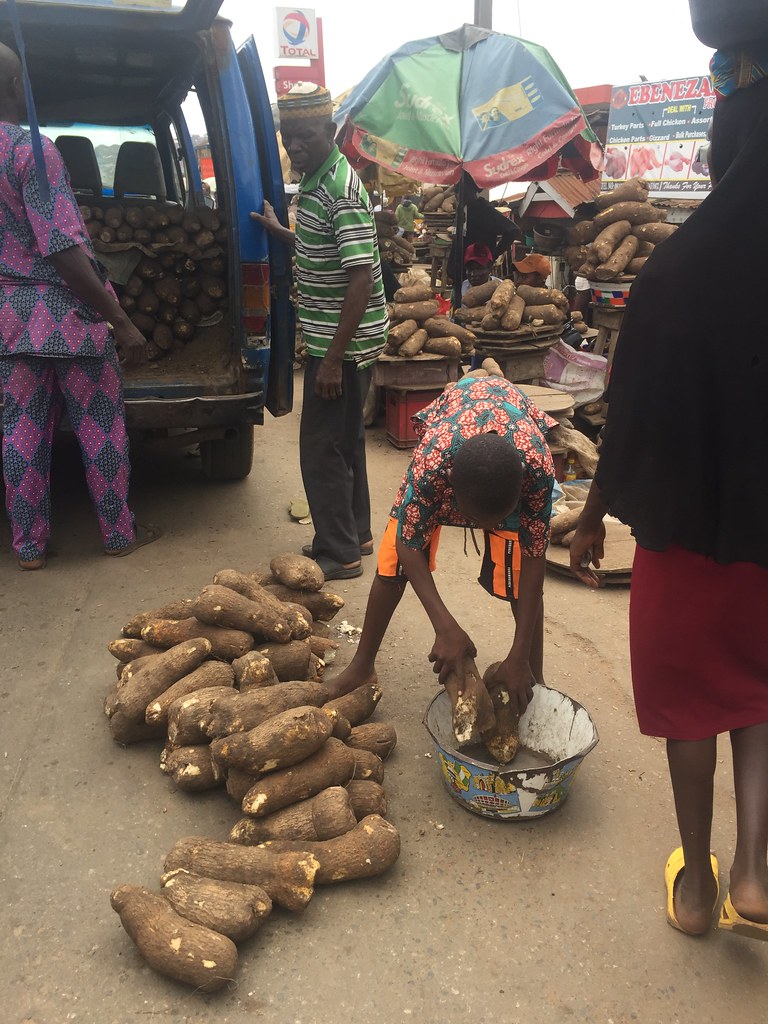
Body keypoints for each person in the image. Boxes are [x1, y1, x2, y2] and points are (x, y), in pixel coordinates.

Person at [569, 63, 768, 939]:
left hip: (683, 537)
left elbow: (629, 414)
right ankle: (757, 869)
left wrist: (590, 512)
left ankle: (696, 890)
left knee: (693, 703)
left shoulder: (674, 273)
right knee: (760, 692)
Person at [0, 44, 157, 570]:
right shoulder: (31, 152)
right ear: (18, 86)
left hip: (9, 322)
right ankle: (117, 534)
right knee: (100, 428)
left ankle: (28, 547)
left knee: (20, 432)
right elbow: (63, 248)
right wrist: (120, 320)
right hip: (69, 319)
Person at [327, 376, 556, 707]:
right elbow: (408, 543)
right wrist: (444, 626)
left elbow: (535, 556)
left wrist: (517, 654)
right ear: (449, 487)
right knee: (391, 561)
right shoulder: (432, 466)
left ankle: (531, 673)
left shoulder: (536, 470)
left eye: (496, 521)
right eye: (478, 522)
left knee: (519, 572)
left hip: (512, 438)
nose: (486, 529)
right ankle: (361, 667)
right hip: (451, 437)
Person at [251, 83, 389, 581]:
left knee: (320, 446)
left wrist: (331, 360)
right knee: (346, 440)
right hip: (342, 340)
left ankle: (338, 552)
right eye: (289, 137)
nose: (296, 146)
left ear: (331, 131)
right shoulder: (317, 181)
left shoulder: (340, 190)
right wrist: (280, 232)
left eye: (306, 135)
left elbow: (361, 278)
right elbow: (323, 251)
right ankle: (358, 533)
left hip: (342, 345)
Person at [462, 173, 520, 260]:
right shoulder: (465, 210)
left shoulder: (485, 211)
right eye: (456, 190)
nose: (457, 194)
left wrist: (494, 254)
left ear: (471, 190)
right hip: (465, 265)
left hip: (479, 265)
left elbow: (513, 230)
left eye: (462, 190)